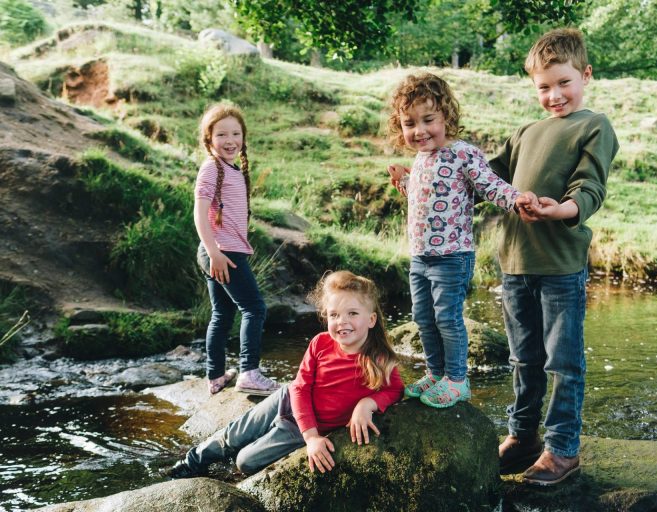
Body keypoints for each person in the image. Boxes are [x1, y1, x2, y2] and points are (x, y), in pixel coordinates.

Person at [488, 28, 619, 485]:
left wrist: (557, 208)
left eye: (564, 82)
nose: (555, 95)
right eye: (544, 86)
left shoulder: (594, 125)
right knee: (523, 358)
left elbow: (590, 187)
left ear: (585, 75)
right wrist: (427, 176)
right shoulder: (525, 132)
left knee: (562, 362)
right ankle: (522, 437)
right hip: (515, 263)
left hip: (561, 264)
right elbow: (483, 178)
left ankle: (562, 449)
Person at [386, 73, 536, 409]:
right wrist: (405, 181)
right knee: (422, 317)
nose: (419, 130)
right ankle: (435, 373)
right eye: (410, 124)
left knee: (446, 318)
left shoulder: (461, 153)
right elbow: (425, 196)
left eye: (428, 120)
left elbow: (489, 185)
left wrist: (515, 200)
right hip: (421, 257)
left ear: (446, 117)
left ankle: (457, 380)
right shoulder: (421, 157)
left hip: (453, 255)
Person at [169, 270, 404, 478]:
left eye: (352, 313)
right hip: (287, 401)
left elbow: (395, 389)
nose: (342, 322)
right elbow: (299, 388)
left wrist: (367, 403)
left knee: (245, 461)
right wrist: (312, 438)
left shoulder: (380, 360)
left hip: (298, 429)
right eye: (334, 315)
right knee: (233, 436)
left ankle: (238, 459)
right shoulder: (320, 343)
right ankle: (191, 463)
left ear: (371, 319)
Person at [194, 103, 279, 395]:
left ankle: (216, 376)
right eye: (221, 135)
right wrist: (214, 252)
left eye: (235, 133)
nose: (230, 141)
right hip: (222, 251)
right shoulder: (211, 168)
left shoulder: (231, 169)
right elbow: (199, 212)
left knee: (222, 314)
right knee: (254, 308)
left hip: (223, 250)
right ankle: (249, 373)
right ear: (209, 140)